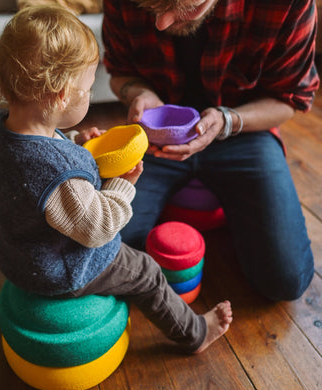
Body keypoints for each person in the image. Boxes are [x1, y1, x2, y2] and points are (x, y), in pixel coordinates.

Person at [0, 5, 232, 354]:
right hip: (61, 268)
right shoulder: (58, 176)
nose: (90, 95)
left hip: (14, 253)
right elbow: (99, 228)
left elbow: (19, 163)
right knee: (145, 272)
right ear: (62, 94)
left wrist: (80, 144)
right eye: (88, 88)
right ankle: (195, 333)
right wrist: (122, 184)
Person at [102, 0, 319, 301]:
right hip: (154, 138)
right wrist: (140, 93)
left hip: (244, 130)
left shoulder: (286, 4)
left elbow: (289, 98)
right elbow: (118, 73)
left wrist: (228, 121)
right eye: (153, 8)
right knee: (98, 253)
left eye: (182, 7)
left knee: (286, 279)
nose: (161, 24)